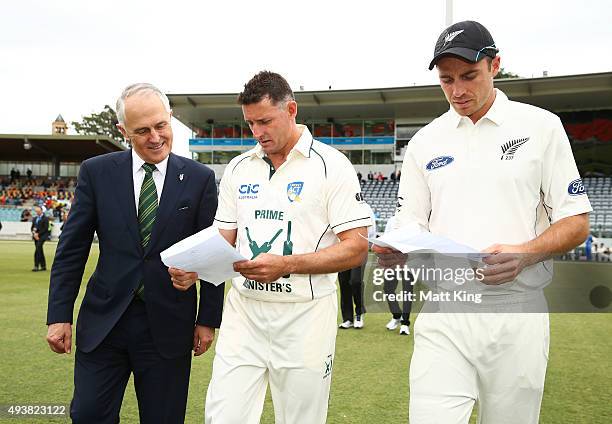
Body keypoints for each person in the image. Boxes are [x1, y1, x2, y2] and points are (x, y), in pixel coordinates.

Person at [374, 21, 591, 423]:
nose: (457, 91)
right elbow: (410, 223)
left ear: (495, 65)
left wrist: (526, 254)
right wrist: (396, 248)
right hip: (444, 309)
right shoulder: (425, 141)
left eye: (469, 76)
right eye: (446, 80)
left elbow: (576, 222)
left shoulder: (541, 127)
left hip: (516, 311)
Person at [171, 71, 371, 424]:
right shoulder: (239, 168)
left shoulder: (331, 165)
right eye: (250, 123)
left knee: (300, 419)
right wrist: (194, 267)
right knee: (224, 416)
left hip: (305, 315)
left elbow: (356, 248)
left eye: (265, 120)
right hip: (244, 313)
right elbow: (224, 239)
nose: (258, 132)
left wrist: (288, 264)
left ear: (291, 109)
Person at [45, 83, 224, 424]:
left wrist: (207, 319)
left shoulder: (200, 179)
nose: (155, 137)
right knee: (88, 415)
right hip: (104, 323)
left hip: (169, 327)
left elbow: (211, 253)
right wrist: (59, 315)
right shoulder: (96, 172)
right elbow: (72, 249)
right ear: (122, 131)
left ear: (170, 118)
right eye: (142, 131)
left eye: (161, 126)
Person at [338, 203, 376, 329]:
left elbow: (371, 230)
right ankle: (347, 318)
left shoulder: (364, 208)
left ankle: (359, 313)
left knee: (355, 281)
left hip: (359, 249)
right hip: (343, 251)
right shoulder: (341, 207)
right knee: (343, 282)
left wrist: (367, 245)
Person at [381, 215, 413, 335]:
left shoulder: (413, 222)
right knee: (388, 288)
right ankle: (396, 315)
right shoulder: (392, 220)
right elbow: (385, 240)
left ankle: (405, 323)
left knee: (407, 291)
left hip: (409, 260)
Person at [31, 206, 50, 271]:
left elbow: (45, 228)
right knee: (40, 250)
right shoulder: (35, 218)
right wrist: (34, 234)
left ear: (41, 211)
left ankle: (36, 266)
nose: (37, 212)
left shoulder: (45, 218)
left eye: (38, 211)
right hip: (35, 236)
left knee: (37, 249)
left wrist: (38, 234)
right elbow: (32, 227)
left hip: (42, 236)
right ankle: (43, 266)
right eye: (36, 211)